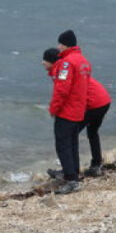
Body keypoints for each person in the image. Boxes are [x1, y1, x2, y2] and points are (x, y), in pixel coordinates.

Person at [43, 48, 111, 178]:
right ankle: (95, 164)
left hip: (93, 103)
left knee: (68, 137)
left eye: (44, 60)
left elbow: (63, 92)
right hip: (104, 100)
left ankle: (70, 172)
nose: (42, 63)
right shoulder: (68, 67)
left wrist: (54, 109)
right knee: (91, 132)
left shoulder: (62, 70)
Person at [47, 30, 91, 195]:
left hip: (67, 111)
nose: (58, 47)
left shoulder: (66, 63)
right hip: (79, 110)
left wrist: (54, 108)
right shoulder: (84, 61)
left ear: (64, 44)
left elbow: (62, 89)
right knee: (73, 144)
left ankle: (71, 179)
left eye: (59, 44)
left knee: (63, 145)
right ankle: (73, 173)